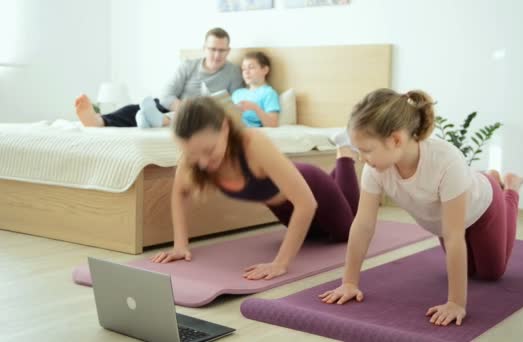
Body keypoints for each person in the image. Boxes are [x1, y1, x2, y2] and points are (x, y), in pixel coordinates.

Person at [318, 88, 523, 327]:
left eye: (366, 150)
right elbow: (363, 225)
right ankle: (490, 179)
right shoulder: (375, 169)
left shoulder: (446, 161)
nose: (362, 158)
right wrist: (349, 282)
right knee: (467, 273)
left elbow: (454, 236)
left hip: (483, 207)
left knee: (491, 274)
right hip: (446, 218)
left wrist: (456, 303)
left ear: (396, 139)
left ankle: (509, 190)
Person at [150, 96, 360, 281]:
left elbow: (306, 203)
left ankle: (344, 153)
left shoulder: (252, 143)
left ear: (225, 128)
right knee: (315, 238)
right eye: (195, 156)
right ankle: (337, 175)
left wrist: (280, 264)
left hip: (313, 187)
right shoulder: (194, 153)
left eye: (209, 151)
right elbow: (180, 192)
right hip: (283, 206)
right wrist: (180, 245)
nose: (203, 163)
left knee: (346, 232)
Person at [73, 27, 243, 127]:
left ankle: (159, 120)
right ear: (204, 48)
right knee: (136, 108)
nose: (217, 55)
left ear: (228, 51)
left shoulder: (233, 72)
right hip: (174, 107)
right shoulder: (189, 65)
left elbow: (235, 107)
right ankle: (99, 121)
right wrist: (182, 107)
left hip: (203, 117)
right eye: (213, 49)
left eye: (222, 50)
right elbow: (166, 95)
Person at [138, 51, 280, 128]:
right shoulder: (238, 92)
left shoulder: (269, 93)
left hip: (241, 126)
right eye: (243, 69)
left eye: (251, 67)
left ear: (265, 69)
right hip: (224, 120)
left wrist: (255, 108)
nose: (246, 72)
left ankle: (158, 120)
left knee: (200, 115)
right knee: (201, 109)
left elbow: (273, 123)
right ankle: (153, 120)